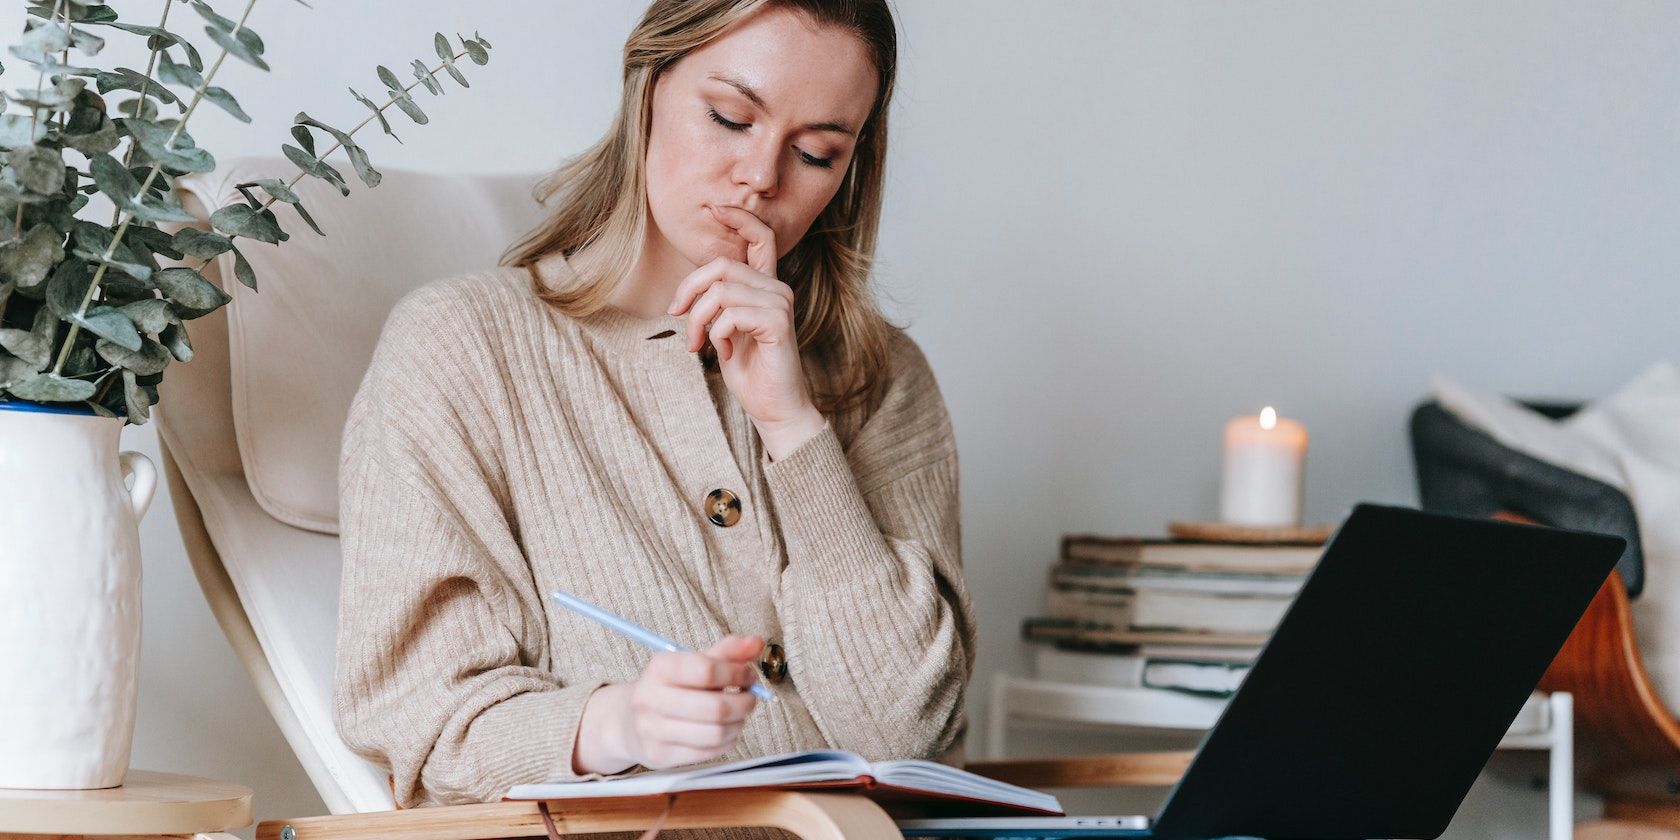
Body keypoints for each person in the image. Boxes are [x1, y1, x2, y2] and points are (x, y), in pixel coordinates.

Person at [332, 0, 974, 825]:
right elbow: (425, 725)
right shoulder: (462, 349)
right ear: (647, 87)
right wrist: (618, 723)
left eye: (816, 153)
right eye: (730, 117)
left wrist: (793, 427)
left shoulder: (876, 377)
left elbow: (904, 730)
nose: (762, 179)